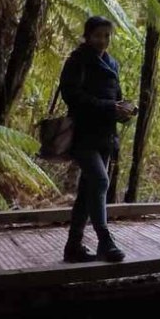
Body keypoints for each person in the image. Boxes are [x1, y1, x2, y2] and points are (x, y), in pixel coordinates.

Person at [59, 15, 136, 263]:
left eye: (106, 36)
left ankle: (73, 247)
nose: (102, 40)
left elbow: (116, 96)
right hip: (83, 134)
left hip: (105, 135)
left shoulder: (112, 63)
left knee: (87, 191)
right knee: (101, 181)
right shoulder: (77, 61)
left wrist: (124, 110)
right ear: (87, 36)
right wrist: (109, 107)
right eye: (97, 35)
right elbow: (72, 96)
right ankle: (105, 240)